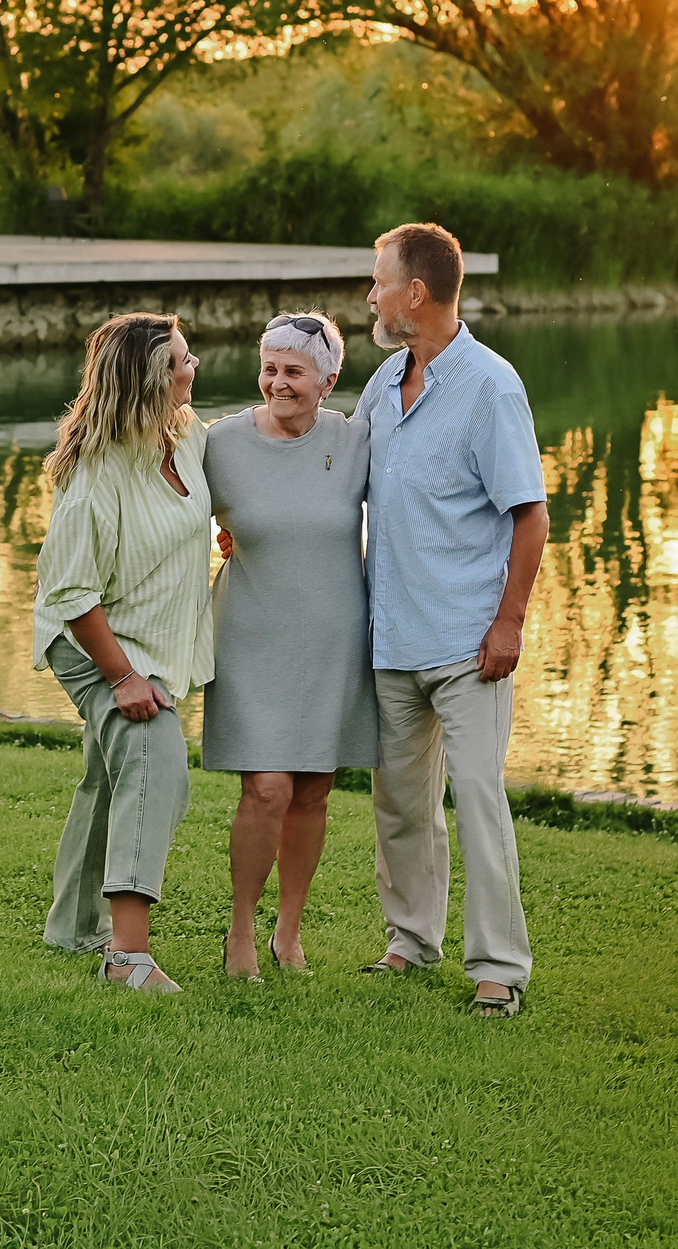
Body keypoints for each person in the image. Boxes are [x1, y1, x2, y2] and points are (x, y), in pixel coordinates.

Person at [356, 223, 547, 1017]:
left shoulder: (491, 386)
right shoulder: (379, 384)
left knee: (475, 795)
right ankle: (411, 940)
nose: (369, 295)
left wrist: (508, 625)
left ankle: (498, 968)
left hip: (471, 645)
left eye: (377, 280)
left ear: (416, 293)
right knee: (401, 804)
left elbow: (530, 517)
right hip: (391, 636)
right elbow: (337, 478)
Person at [32, 312, 213, 993]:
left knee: (110, 776)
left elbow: (202, 507)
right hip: (92, 639)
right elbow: (73, 592)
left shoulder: (186, 436)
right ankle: (125, 955)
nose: (191, 370)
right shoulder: (95, 476)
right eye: (179, 364)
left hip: (148, 636)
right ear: (147, 381)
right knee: (153, 757)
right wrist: (125, 677)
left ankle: (71, 925)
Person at [203, 310, 378, 980]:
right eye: (270, 368)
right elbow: (171, 515)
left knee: (313, 790)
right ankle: (240, 930)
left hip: (334, 634)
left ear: (329, 378)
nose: (278, 382)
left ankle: (289, 931)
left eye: (294, 371)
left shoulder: (357, 439)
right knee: (267, 788)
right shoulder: (221, 443)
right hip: (252, 634)